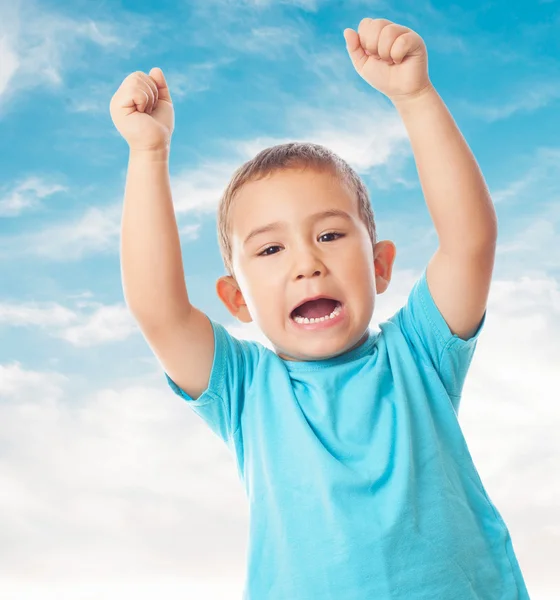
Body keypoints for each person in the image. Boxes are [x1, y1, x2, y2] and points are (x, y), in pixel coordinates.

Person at [110, 16, 531, 600]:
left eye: (330, 236)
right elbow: (158, 309)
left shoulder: (420, 356)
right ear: (237, 299)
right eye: (271, 248)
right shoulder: (246, 390)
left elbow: (470, 241)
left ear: (380, 266)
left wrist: (415, 97)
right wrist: (148, 155)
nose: (306, 263)